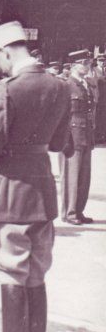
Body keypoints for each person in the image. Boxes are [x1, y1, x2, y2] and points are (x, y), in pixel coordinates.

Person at [0, 21, 71, 332]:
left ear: (7, 52)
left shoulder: (6, 90)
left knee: (11, 273)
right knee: (35, 275)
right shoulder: (60, 86)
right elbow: (60, 144)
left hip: (9, 191)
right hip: (42, 191)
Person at [59, 49, 96, 225]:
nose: (88, 66)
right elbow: (61, 114)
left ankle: (79, 210)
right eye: (84, 63)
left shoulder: (85, 84)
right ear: (74, 65)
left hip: (86, 135)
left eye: (88, 63)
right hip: (72, 136)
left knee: (83, 176)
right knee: (71, 176)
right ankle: (69, 212)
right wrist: (64, 139)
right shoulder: (66, 85)